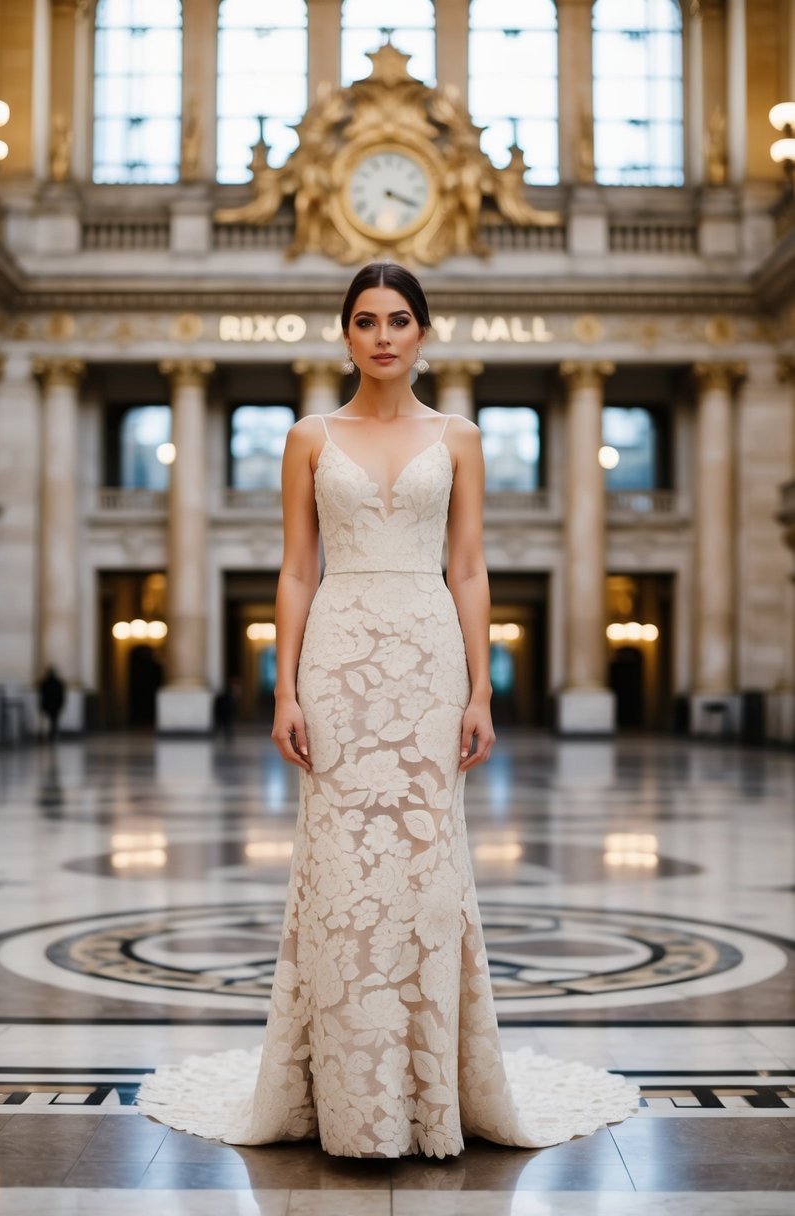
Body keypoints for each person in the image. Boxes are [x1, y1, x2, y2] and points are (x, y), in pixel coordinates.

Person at [137, 262, 639, 1156]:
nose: (380, 335)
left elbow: (470, 568)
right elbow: (295, 569)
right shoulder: (305, 436)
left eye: (397, 320)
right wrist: (285, 686)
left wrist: (481, 686)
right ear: (344, 335)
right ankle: (343, 1091)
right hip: (337, 654)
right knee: (336, 869)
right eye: (364, 320)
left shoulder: (459, 436)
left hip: (426, 657)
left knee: (424, 864)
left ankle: (426, 1088)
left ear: (422, 333)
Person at [38, 666, 65, 743]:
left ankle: (48, 735)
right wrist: (61, 704)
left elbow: (42, 695)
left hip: (48, 705)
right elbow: (61, 695)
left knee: (48, 721)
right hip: (55, 705)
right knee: (54, 721)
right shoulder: (58, 683)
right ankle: (51, 735)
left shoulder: (45, 683)